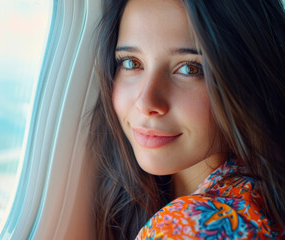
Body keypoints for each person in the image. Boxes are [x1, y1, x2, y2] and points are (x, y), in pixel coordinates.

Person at [88, 0, 285, 239]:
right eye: (131, 63)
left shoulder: (195, 225)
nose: (146, 102)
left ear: (249, 80)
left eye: (190, 69)